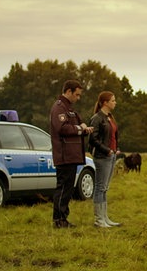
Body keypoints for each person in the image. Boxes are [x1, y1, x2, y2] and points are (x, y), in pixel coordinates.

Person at [50, 79, 94, 228]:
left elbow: (79, 124)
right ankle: (58, 220)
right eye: (77, 94)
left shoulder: (71, 109)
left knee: (68, 189)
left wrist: (84, 128)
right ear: (68, 91)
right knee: (62, 188)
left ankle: (63, 218)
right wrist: (80, 129)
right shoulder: (59, 107)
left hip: (72, 155)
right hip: (64, 155)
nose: (78, 98)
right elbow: (62, 128)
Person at [88, 91, 121, 228]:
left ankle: (105, 217)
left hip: (111, 155)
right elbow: (92, 139)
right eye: (113, 100)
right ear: (105, 103)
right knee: (100, 187)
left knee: (105, 188)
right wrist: (106, 150)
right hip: (102, 156)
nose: (115, 102)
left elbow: (113, 136)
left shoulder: (109, 118)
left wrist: (115, 149)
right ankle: (98, 219)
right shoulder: (97, 118)